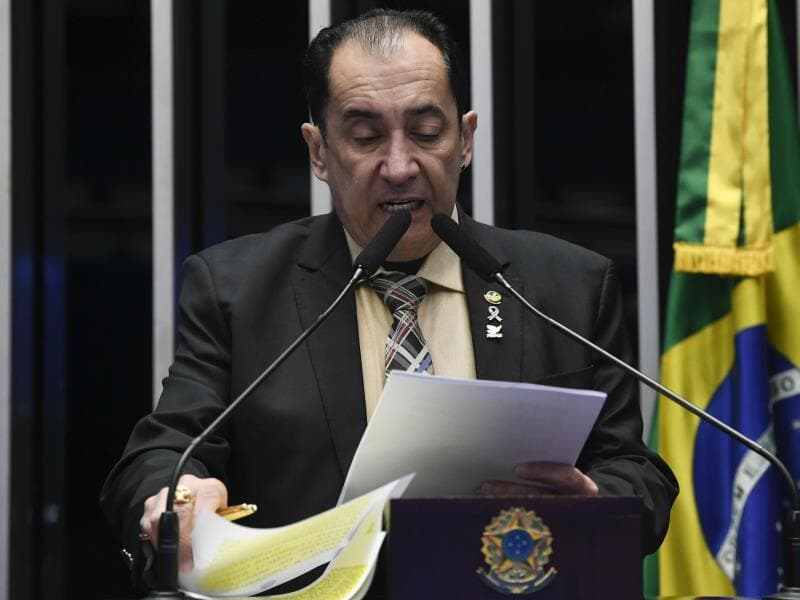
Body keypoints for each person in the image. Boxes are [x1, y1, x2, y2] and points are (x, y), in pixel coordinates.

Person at [101, 8, 678, 591]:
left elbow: (636, 472)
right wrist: (177, 496)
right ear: (319, 152)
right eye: (366, 137)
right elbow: (162, 455)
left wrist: (594, 502)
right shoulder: (237, 289)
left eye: (426, 133)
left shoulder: (566, 286)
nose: (400, 167)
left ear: (466, 139)